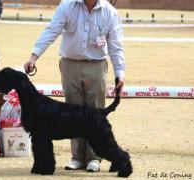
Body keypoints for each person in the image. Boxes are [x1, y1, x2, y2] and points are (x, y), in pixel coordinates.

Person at [24, 0, 125, 172]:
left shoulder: (110, 12)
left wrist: (119, 74)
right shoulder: (67, 5)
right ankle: (77, 157)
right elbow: (52, 30)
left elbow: (116, 46)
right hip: (69, 65)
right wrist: (34, 57)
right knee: (71, 113)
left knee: (95, 112)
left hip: (97, 65)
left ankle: (94, 158)